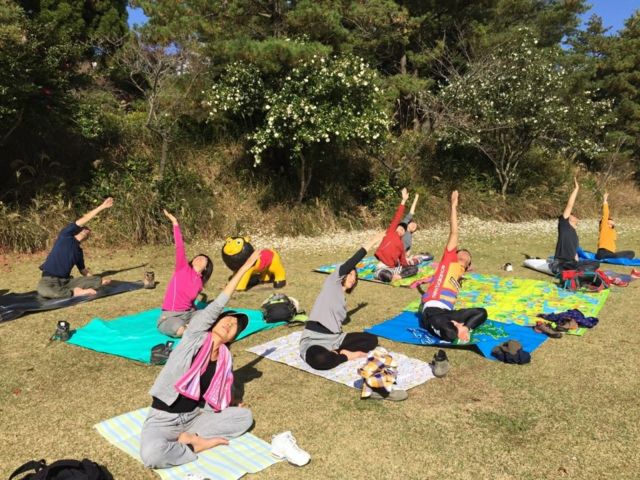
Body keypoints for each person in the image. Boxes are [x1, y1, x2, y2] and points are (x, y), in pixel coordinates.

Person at [140, 250, 261, 469]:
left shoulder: (224, 359)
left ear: (233, 337)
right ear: (213, 322)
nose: (230, 324)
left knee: (244, 417)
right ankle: (194, 445)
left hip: (195, 417)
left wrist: (232, 400)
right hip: (164, 418)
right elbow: (219, 303)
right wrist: (244, 268)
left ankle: (190, 436)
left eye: (235, 326)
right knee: (152, 455)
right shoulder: (194, 337)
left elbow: (221, 387)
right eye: (227, 319)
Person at [300, 232, 384, 371]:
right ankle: (346, 355)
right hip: (314, 338)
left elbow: (338, 316)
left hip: (336, 339)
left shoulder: (342, 299)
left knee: (371, 340)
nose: (353, 278)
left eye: (355, 276)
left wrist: (358, 308)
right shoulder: (332, 283)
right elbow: (353, 260)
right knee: (320, 360)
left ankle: (337, 352)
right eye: (350, 274)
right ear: (343, 275)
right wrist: (374, 240)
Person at [419, 191, 487, 343]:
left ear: (468, 265)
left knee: (482, 313)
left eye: (468, 257)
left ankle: (463, 328)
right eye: (461, 252)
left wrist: (463, 325)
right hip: (432, 310)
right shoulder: (449, 260)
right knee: (449, 334)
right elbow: (454, 232)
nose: (465, 254)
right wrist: (453, 206)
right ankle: (456, 327)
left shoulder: (460, 274)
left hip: (449, 312)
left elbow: (467, 270)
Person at [37, 198, 114, 299]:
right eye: (84, 228)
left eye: (88, 230)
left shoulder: (79, 252)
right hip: (49, 280)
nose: (87, 229)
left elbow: (83, 271)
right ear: (78, 230)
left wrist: (96, 280)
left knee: (100, 281)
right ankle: (75, 293)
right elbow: (85, 218)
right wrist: (102, 207)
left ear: (87, 237)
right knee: (43, 291)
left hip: (68, 282)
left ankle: (75, 290)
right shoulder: (65, 236)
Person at [158, 210, 214, 337]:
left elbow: (191, 302)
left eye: (203, 259)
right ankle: (188, 328)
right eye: (197, 257)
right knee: (179, 330)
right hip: (171, 315)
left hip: (189, 314)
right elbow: (180, 246)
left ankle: (191, 326)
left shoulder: (199, 283)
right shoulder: (183, 268)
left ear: (206, 268)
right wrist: (175, 223)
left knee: (209, 316)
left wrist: (197, 311)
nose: (199, 258)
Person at [551, 178, 599, 274]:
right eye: (572, 214)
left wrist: (576, 256)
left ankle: (576, 271)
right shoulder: (564, 225)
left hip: (571, 262)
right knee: (571, 268)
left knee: (595, 263)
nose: (575, 216)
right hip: (561, 262)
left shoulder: (575, 234)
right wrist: (576, 189)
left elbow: (574, 250)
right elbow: (570, 205)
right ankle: (573, 271)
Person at [374, 188, 420, 282]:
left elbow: (403, 260)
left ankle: (398, 276)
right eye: (400, 227)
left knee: (415, 269)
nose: (401, 229)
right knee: (385, 274)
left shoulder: (402, 244)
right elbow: (397, 216)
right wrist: (404, 200)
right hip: (383, 267)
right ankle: (389, 276)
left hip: (394, 269)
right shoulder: (391, 232)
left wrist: (410, 266)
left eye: (403, 229)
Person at [596, 192, 635, 260]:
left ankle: (614, 258)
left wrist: (613, 226)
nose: (612, 220)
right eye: (610, 219)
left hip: (607, 253)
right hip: (604, 252)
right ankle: (616, 259)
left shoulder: (611, 231)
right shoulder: (604, 226)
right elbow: (605, 214)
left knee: (631, 253)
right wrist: (605, 200)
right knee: (631, 253)